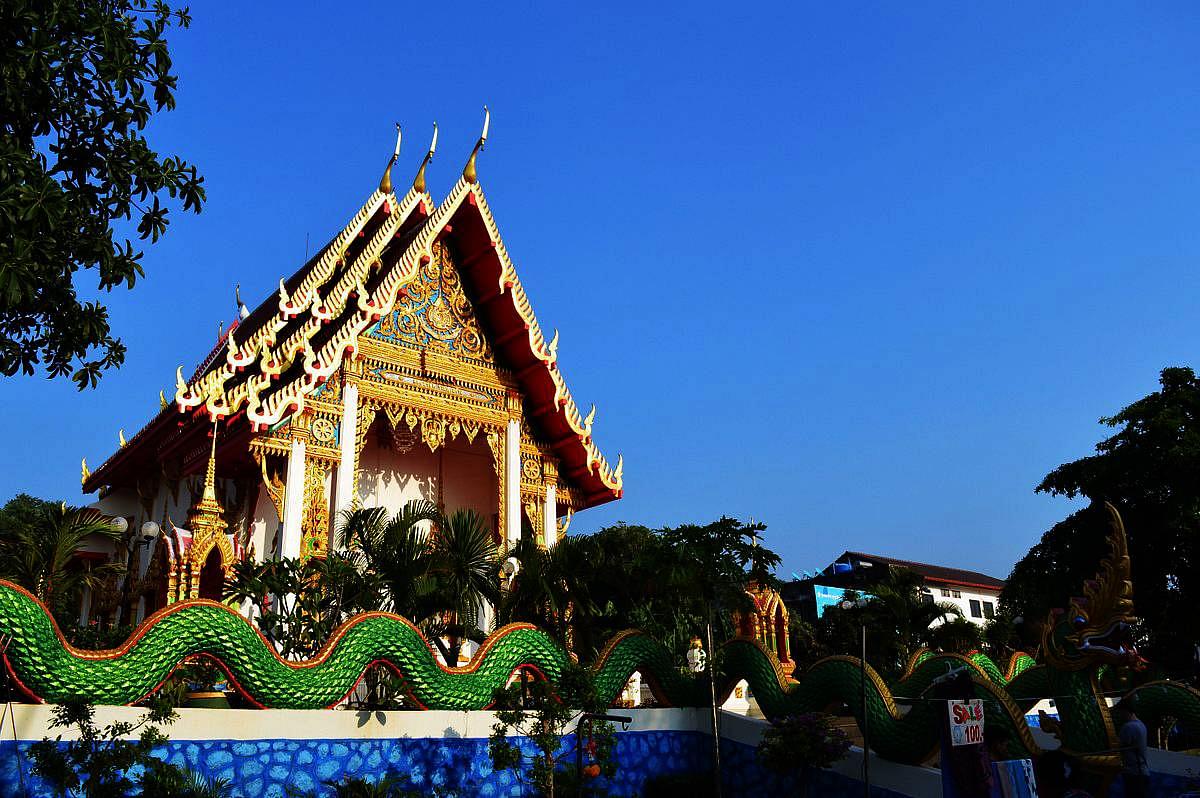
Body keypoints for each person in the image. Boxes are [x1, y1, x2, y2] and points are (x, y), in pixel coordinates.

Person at [1113, 700, 1150, 798]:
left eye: (1120, 713)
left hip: (1133, 773)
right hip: (1143, 772)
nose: (1119, 716)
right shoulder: (1141, 725)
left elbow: (1117, 746)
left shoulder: (1128, 727)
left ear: (1125, 711)